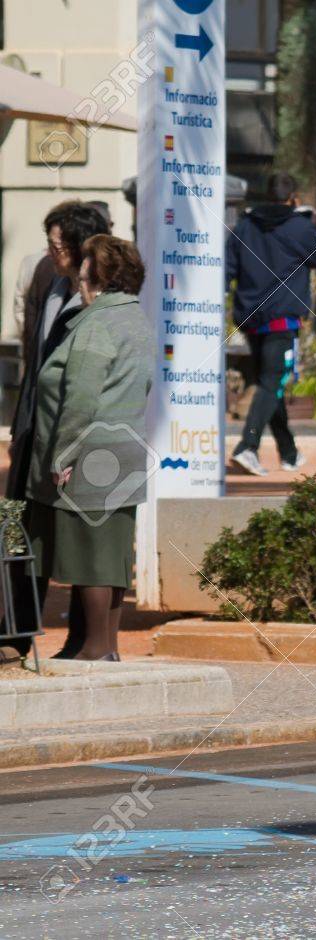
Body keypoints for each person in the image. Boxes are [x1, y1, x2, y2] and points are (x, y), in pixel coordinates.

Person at [24, 235, 152, 660]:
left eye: (82, 277)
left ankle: (95, 648)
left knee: (91, 554)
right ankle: (104, 646)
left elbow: (80, 397)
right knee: (111, 554)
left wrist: (64, 454)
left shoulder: (96, 324)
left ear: (101, 279)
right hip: (125, 450)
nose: (78, 284)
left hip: (90, 453)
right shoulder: (136, 318)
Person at [2, 203, 110, 659]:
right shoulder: (48, 280)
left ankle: (85, 640)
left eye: (58, 244)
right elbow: (35, 358)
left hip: (75, 433)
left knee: (79, 537)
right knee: (19, 528)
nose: (51, 251)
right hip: (34, 426)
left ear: (81, 246)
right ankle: (14, 634)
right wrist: (21, 426)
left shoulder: (102, 296)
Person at [225, 172, 316, 476]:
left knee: (269, 383)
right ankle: (247, 446)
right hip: (282, 319)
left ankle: (289, 452)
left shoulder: (245, 226)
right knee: (272, 381)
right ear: (292, 197)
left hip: (251, 319)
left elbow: (228, 268)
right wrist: (308, 221)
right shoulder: (299, 227)